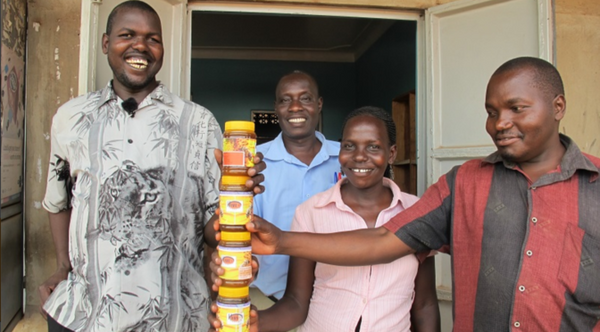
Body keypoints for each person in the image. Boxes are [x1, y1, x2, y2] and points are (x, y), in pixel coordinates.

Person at [245, 56, 600, 331]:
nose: (501, 123)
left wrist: (282, 241)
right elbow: (383, 241)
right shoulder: (465, 184)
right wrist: (279, 241)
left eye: (516, 109)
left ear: (558, 107)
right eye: (492, 113)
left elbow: (423, 302)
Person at [37, 1, 264, 332]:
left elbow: (214, 227)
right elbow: (58, 201)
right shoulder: (72, 118)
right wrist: (62, 267)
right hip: (84, 316)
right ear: (105, 43)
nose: (140, 46)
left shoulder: (199, 122)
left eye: (152, 38)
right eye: (126, 35)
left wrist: (238, 190)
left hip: (176, 317)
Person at [210, 107, 440, 331]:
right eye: (349, 146)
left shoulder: (416, 212)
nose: (359, 156)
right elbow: (297, 303)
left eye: (373, 147)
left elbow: (425, 304)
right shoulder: (311, 212)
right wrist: (256, 324)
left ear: (391, 153)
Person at [249, 71, 341, 305]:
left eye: (306, 98)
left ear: (319, 104)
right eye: (286, 100)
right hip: (268, 300)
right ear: (276, 108)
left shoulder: (347, 158)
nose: (295, 107)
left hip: (337, 302)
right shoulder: (255, 162)